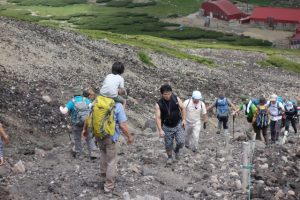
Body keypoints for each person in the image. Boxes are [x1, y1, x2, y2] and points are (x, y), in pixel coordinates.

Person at [82, 100, 134, 194]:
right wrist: (129, 136)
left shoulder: (97, 102)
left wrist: (85, 130)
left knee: (103, 154)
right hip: (111, 137)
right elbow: (122, 125)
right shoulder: (118, 105)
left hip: (98, 135)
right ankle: (109, 186)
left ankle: (103, 176)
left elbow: (88, 118)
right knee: (112, 160)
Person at [59, 85, 97, 159]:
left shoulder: (71, 102)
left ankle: (79, 154)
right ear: (80, 92)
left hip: (76, 123)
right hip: (87, 121)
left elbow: (64, 112)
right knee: (89, 137)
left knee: (77, 138)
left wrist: (60, 108)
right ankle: (93, 152)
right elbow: (93, 107)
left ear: (74, 93)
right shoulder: (86, 100)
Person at [155, 84, 186, 165]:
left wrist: (184, 120)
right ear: (162, 94)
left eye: (169, 93)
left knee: (181, 142)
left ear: (171, 92)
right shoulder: (159, 104)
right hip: (167, 126)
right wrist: (160, 130)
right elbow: (158, 118)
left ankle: (177, 150)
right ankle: (169, 157)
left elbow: (183, 108)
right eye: (165, 94)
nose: (167, 96)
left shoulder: (176, 98)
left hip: (178, 124)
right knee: (168, 144)